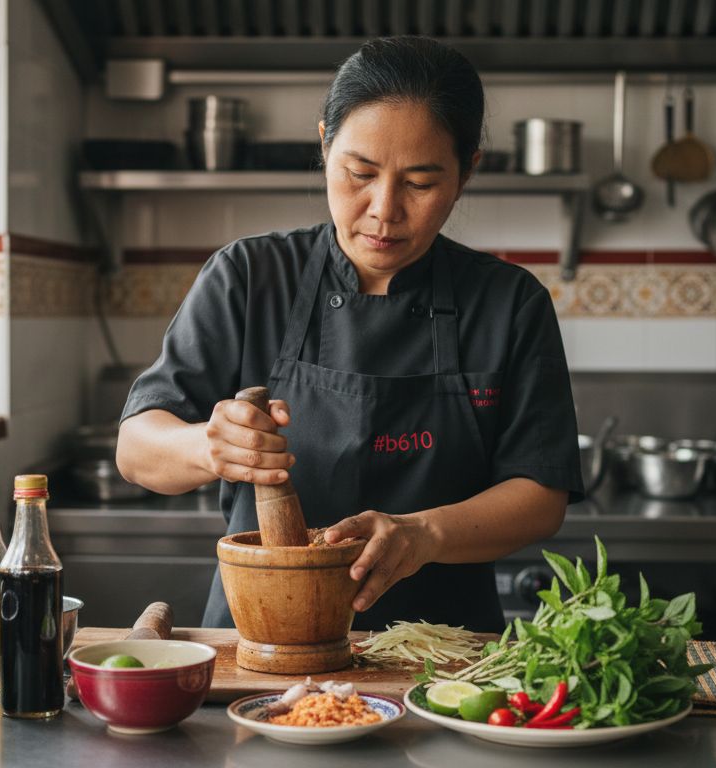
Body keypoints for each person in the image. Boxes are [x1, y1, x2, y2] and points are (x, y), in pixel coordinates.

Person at [117, 36, 583, 633]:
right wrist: (209, 447)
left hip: (442, 656)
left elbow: (541, 497)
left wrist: (424, 533)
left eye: (420, 183)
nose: (384, 209)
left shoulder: (509, 303)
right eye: (360, 173)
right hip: (261, 643)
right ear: (325, 145)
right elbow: (136, 450)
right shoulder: (248, 277)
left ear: (468, 171)